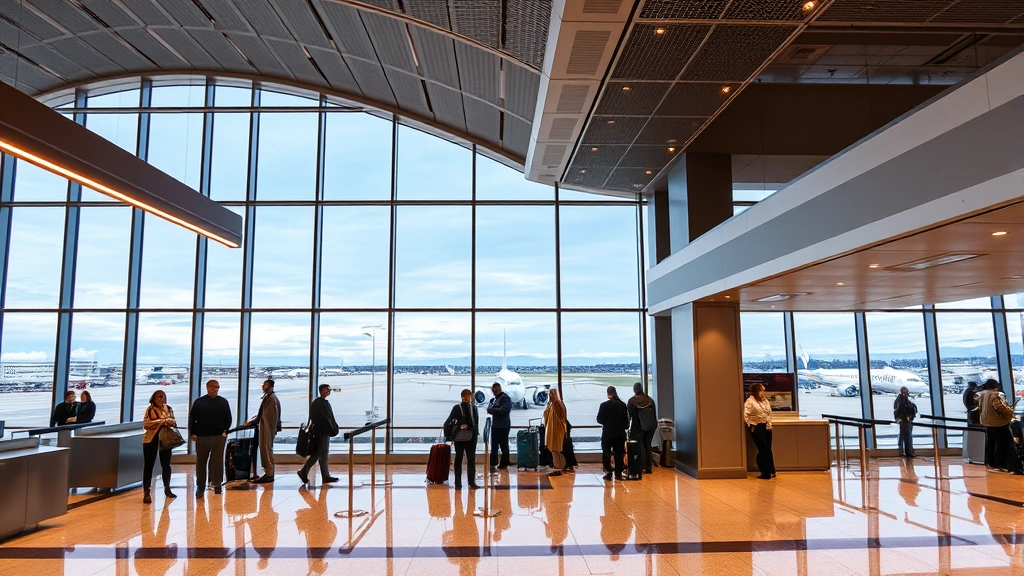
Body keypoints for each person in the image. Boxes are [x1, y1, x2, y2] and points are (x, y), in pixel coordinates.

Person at [189, 379, 232, 497]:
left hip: (218, 436)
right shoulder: (199, 402)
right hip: (202, 437)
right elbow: (192, 419)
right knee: (201, 462)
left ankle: (217, 484)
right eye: (213, 387)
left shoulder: (223, 402)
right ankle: (200, 486)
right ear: (207, 388)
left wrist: (225, 431)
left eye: (217, 387)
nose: (215, 389)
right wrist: (193, 433)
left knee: (217, 462)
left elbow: (228, 418)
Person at [977, 379, 1023, 474]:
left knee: (992, 443)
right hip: (998, 423)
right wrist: (1010, 413)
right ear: (996, 387)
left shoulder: (982, 395)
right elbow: (1000, 408)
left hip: (987, 422)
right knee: (1005, 444)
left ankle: (992, 464)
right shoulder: (996, 395)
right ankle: (1004, 465)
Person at [298, 384, 340, 485]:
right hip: (321, 432)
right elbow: (322, 419)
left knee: (323, 455)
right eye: (326, 389)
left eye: (329, 389)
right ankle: (304, 471)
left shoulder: (320, 402)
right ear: (321, 391)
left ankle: (325, 476)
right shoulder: (319, 403)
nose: (328, 391)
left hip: (323, 432)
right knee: (319, 453)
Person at [142, 390, 178, 504]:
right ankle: (146, 491)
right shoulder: (150, 409)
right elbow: (146, 424)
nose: (161, 399)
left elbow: (173, 421)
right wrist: (161, 421)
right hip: (151, 439)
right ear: (154, 398)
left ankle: (167, 488)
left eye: (163, 397)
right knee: (149, 465)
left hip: (165, 439)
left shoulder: (169, 408)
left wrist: (170, 422)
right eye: (159, 397)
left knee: (166, 465)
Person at [245, 379, 281, 484]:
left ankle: (269, 473)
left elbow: (268, 417)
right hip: (266, 428)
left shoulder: (271, 399)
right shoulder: (268, 397)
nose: (263, 386)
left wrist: (255, 421)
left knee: (266, 449)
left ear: (271, 387)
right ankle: (268, 472)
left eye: (265, 385)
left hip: (267, 429)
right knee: (265, 449)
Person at [447, 389, 479, 489]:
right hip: (470, 438)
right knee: (471, 460)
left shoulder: (456, 408)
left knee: (458, 460)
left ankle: (458, 484)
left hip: (459, 438)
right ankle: (471, 483)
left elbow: (449, 422)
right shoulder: (473, 408)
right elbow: (475, 424)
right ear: (469, 396)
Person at [744, 382, 776, 480]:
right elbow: (747, 414)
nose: (763, 392)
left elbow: (768, 413)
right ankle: (764, 471)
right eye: (761, 390)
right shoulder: (750, 402)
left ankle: (771, 470)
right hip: (756, 426)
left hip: (766, 425)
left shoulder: (765, 401)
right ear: (756, 391)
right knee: (763, 448)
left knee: (768, 449)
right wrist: (751, 425)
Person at [596, 386, 629, 481]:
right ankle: (618, 473)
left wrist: (607, 422)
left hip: (608, 432)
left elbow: (599, 419)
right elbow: (626, 422)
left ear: (608, 393)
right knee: (619, 453)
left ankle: (608, 472)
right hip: (619, 433)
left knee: (606, 452)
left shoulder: (604, 405)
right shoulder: (622, 405)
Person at [626, 382, 657, 475]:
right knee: (647, 445)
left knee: (639, 446)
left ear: (634, 390)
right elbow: (654, 415)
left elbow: (629, 417)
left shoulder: (631, 401)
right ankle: (648, 467)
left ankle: (640, 466)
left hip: (638, 426)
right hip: (651, 426)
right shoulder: (650, 400)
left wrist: (627, 428)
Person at [486, 382, 512, 472]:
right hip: (496, 425)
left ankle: (504, 463)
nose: (494, 393)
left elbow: (504, 411)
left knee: (503, 445)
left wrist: (493, 410)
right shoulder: (494, 399)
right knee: (494, 445)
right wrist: (493, 409)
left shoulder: (505, 398)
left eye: (495, 391)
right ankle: (493, 463)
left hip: (503, 426)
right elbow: (492, 409)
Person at [543, 389, 568, 476]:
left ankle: (558, 468)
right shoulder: (554, 404)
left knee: (555, 449)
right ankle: (560, 466)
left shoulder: (557, 405)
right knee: (555, 450)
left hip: (556, 430)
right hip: (553, 430)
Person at [893, 386, 918, 458]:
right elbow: (902, 409)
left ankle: (904, 451)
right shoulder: (903, 400)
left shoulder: (900, 399)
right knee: (907, 436)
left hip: (905, 420)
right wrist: (908, 417)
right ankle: (908, 452)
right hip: (905, 420)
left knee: (904, 436)